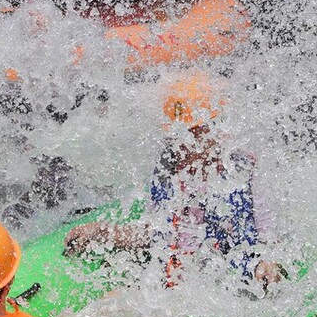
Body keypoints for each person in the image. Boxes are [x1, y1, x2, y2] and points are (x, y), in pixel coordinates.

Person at [64, 71, 284, 290]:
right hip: (185, 278)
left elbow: (270, 237)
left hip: (234, 276)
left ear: (219, 130)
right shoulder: (168, 179)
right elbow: (159, 234)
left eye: (197, 134)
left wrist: (265, 265)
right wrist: (103, 232)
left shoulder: (247, 174)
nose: (187, 143)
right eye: (181, 136)